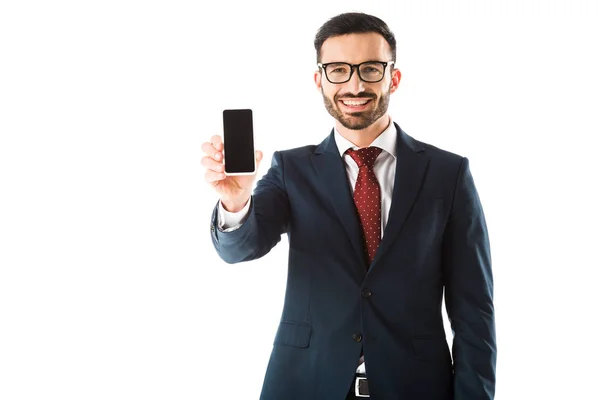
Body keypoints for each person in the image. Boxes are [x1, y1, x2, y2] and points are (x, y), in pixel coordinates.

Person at [202, 12, 496, 400]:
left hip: (417, 387)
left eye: (370, 69)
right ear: (318, 80)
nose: (355, 84)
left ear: (394, 77)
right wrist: (236, 200)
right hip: (305, 384)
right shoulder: (292, 169)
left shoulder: (448, 173)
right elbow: (240, 249)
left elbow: (474, 311)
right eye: (338, 69)